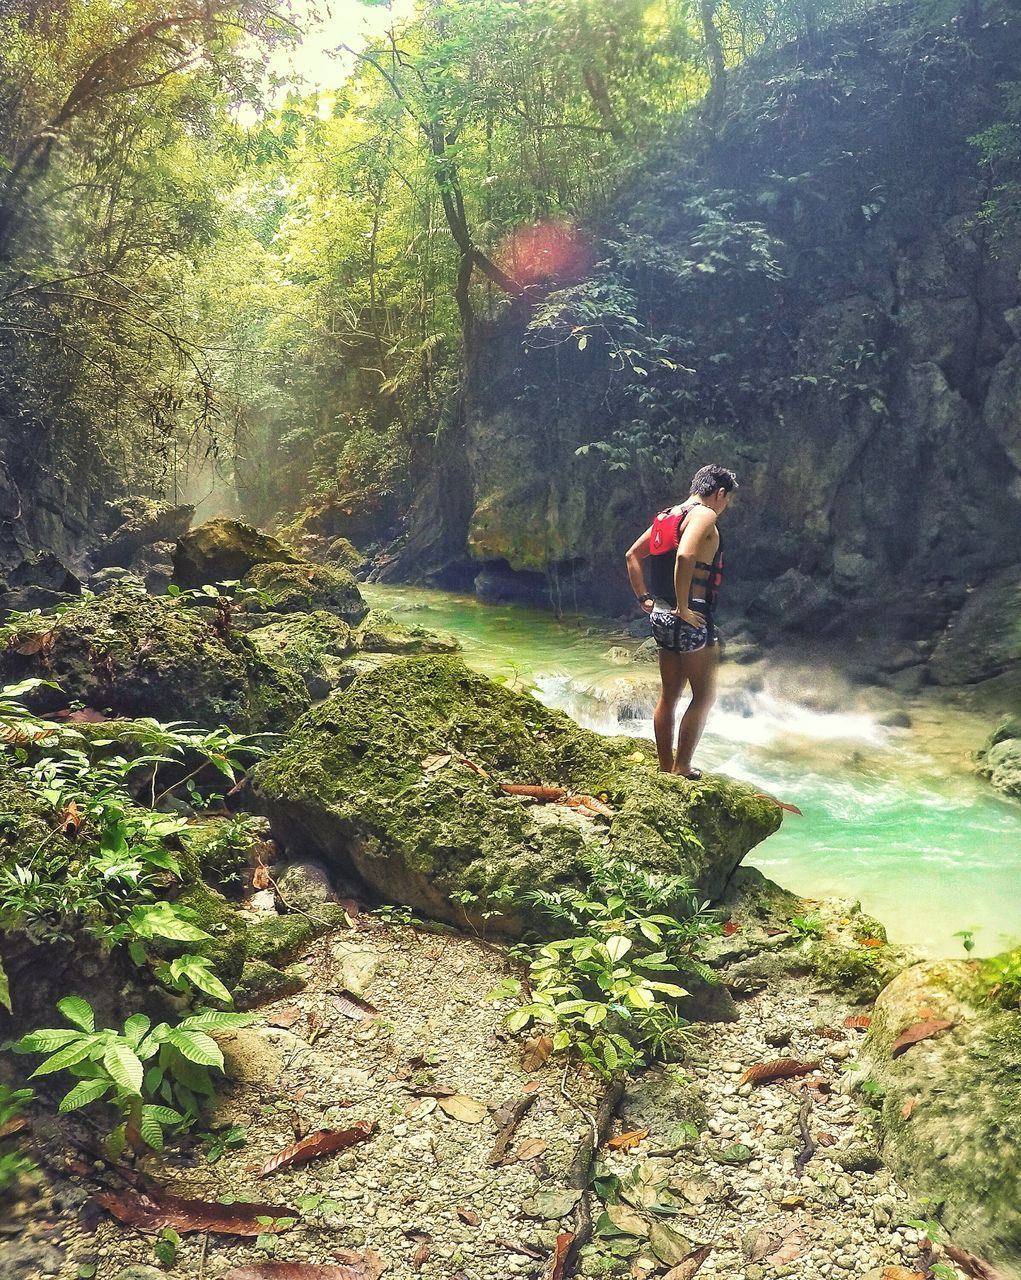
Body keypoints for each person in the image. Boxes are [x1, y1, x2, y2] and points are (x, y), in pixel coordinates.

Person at [624, 464, 737, 778]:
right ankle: (682, 768)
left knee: (669, 695)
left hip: (660, 614)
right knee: (704, 696)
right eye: (726, 501)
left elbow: (632, 555)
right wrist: (684, 607)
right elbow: (686, 556)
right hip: (690, 616)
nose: (724, 508)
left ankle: (664, 769)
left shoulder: (668, 516)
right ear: (720, 493)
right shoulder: (703, 515)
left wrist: (644, 599)